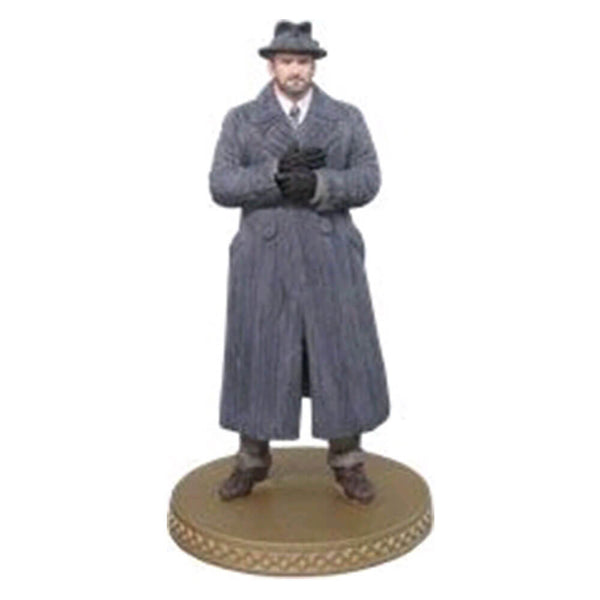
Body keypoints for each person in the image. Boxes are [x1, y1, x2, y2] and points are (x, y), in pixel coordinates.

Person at [209, 21, 390, 504]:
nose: (296, 70)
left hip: (330, 255)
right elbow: (221, 184)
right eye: (287, 61)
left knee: (340, 356)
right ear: (272, 65)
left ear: (314, 66)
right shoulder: (241, 120)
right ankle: (251, 459)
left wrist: (319, 185)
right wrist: (273, 175)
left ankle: (348, 461)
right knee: (258, 355)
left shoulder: (345, 118)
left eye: (304, 61)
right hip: (264, 259)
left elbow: (369, 178)